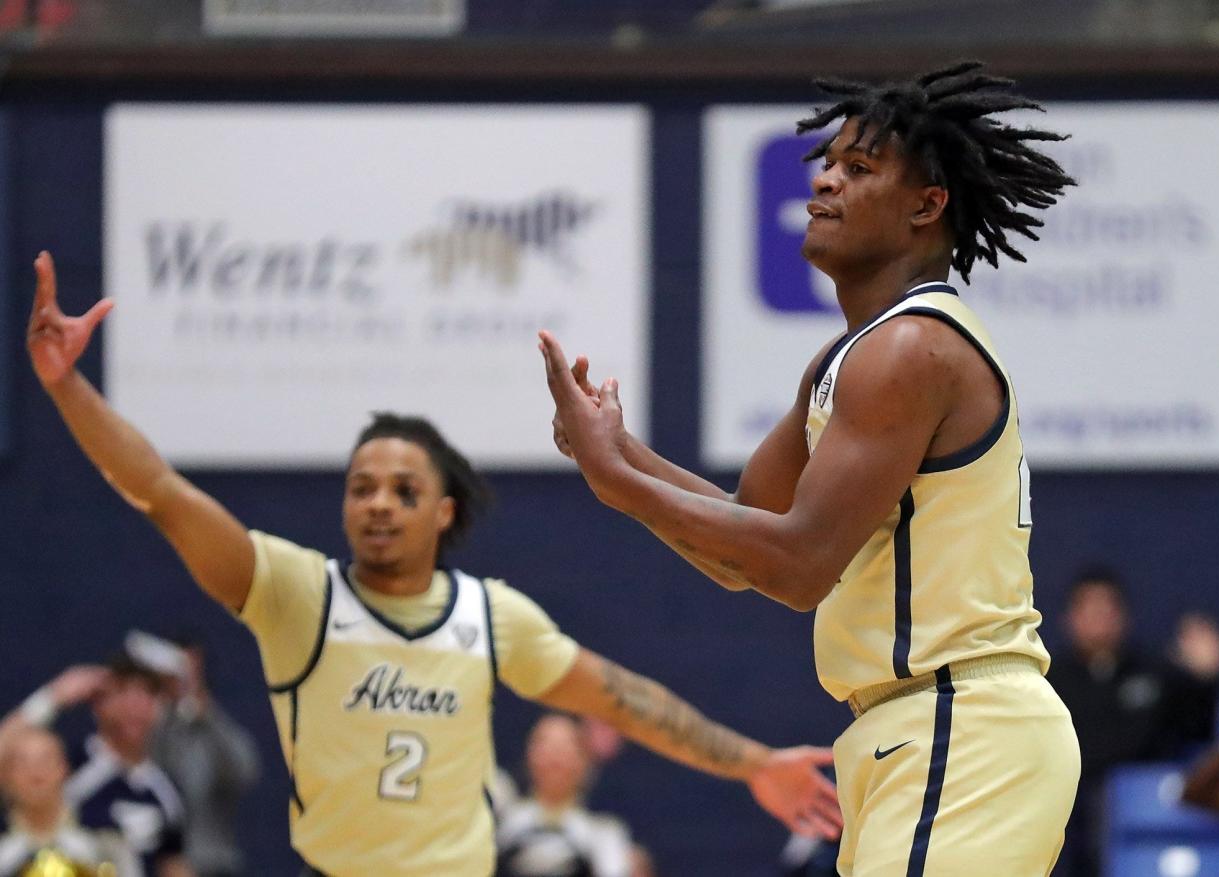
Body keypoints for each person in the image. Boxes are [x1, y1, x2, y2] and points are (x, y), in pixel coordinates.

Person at [25, 251, 841, 877]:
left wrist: (756, 762)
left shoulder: (489, 616)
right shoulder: (293, 593)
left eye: (403, 488)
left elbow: (625, 700)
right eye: (362, 487)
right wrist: (68, 390)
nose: (379, 502)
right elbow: (158, 490)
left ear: (443, 511)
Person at [541, 61, 1080, 876]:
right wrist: (615, 451)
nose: (825, 180)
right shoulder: (850, 355)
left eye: (859, 169)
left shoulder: (910, 348)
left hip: (962, 725)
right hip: (909, 728)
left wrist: (617, 482)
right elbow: (747, 529)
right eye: (828, 163)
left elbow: (795, 566)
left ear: (926, 205)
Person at [1047, 571, 1219, 876]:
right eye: (1089, 608)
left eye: (1107, 608)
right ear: (1070, 617)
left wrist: (1206, 680)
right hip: (1069, 818)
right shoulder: (1046, 682)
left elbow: (1198, 732)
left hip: (1143, 805)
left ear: (1123, 616)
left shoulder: (1156, 674)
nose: (1098, 618)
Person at [1, 659, 192, 877]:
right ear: (98, 703)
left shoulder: (165, 790)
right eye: (123, 693)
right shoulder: (73, 763)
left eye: (146, 695)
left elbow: (173, 863)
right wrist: (53, 697)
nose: (135, 707)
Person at [147, 636, 260, 877]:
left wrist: (207, 713)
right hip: (159, 865)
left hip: (214, 865)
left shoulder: (213, 728)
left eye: (191, 670)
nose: (185, 679)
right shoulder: (151, 726)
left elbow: (246, 771)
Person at [496, 713, 634, 877]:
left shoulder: (602, 834)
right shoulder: (502, 823)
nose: (555, 757)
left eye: (564, 748)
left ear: (584, 761)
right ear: (529, 756)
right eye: (545, 745)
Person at [0, 726, 140, 877]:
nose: (35, 771)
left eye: (45, 760)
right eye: (23, 763)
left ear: (64, 768)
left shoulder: (102, 830)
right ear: (4, 775)